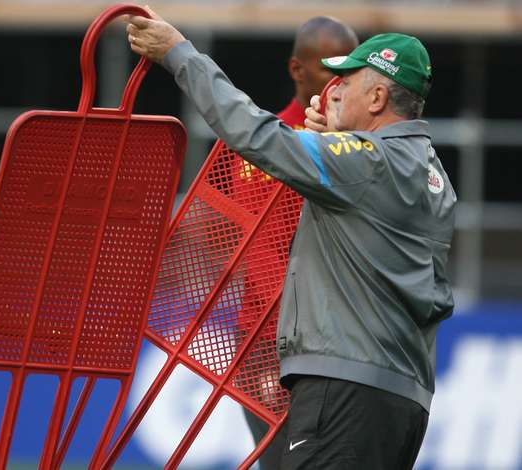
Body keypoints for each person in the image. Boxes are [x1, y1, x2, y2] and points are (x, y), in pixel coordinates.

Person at [127, 8, 456, 470]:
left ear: (378, 96)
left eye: (349, 80)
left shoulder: (363, 164)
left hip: (342, 388)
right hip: (403, 397)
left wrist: (180, 54)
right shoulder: (433, 175)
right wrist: (338, 141)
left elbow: (256, 134)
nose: (336, 90)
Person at [235, 17, 358, 469]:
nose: (343, 84)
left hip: (333, 353)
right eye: (331, 70)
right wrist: (273, 362)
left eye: (352, 71)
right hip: (277, 351)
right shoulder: (271, 147)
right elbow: (263, 261)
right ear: (296, 70)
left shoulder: (350, 147)